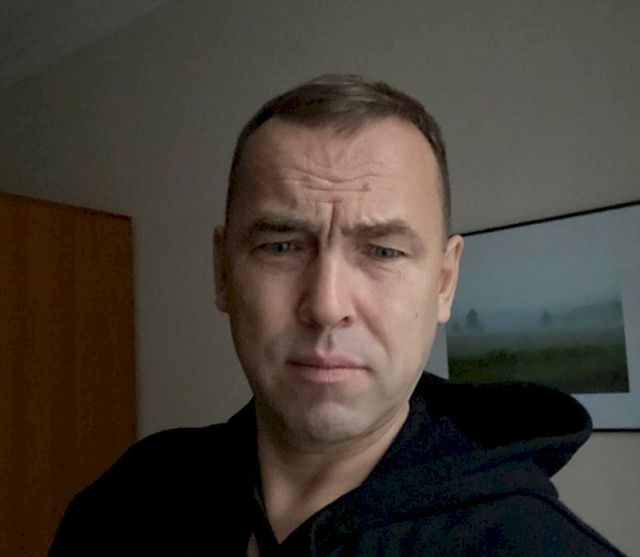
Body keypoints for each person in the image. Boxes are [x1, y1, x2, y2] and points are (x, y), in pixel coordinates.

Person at [49, 74, 626, 556]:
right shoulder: (123, 503)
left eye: (383, 251)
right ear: (223, 272)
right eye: (281, 246)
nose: (326, 305)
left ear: (444, 283)